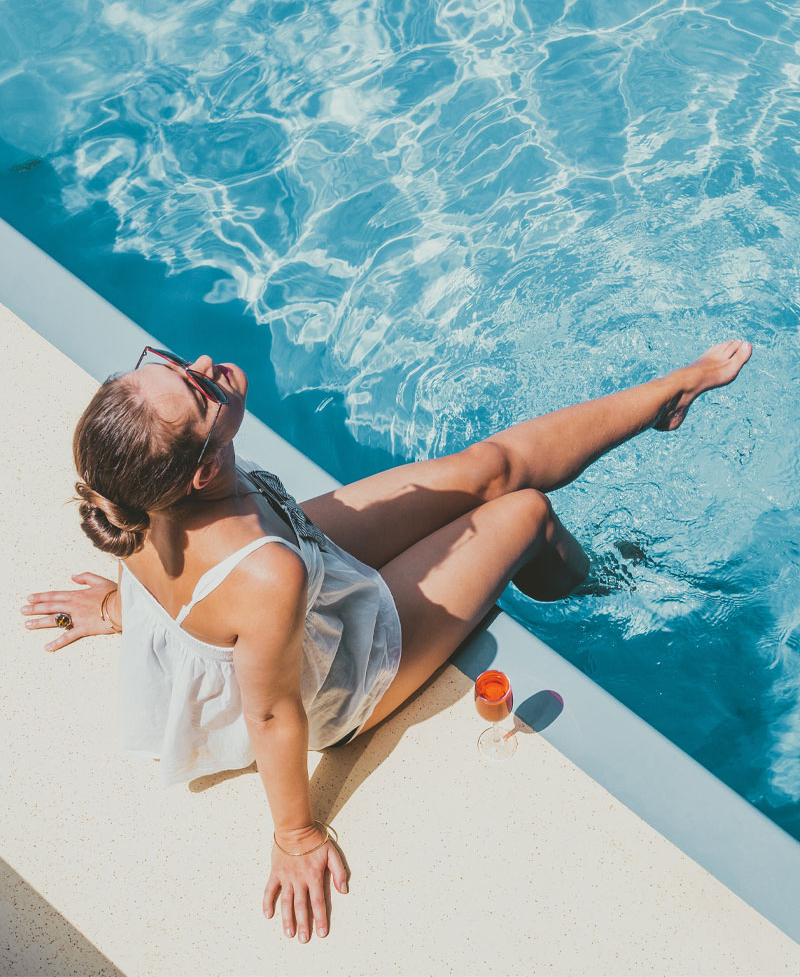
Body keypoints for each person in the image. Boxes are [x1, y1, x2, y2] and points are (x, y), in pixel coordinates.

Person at [22, 338, 752, 943]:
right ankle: (598, 596)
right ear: (205, 467)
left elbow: (171, 584)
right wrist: (296, 836)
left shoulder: (123, 482)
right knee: (526, 511)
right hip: (346, 669)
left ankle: (669, 393)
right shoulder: (263, 575)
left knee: (486, 470)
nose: (206, 364)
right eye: (197, 388)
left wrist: (123, 607)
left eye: (174, 364)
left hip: (303, 564)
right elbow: (273, 715)